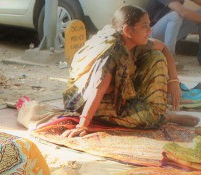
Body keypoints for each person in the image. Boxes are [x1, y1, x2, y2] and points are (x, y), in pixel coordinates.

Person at [62, 5, 199, 138]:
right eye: (144, 26)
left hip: (117, 95)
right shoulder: (112, 53)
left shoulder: (130, 41)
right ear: (127, 30)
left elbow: (163, 48)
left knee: (156, 56)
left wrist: (174, 81)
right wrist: (83, 125)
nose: (149, 31)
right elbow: (97, 91)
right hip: (85, 101)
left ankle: (158, 113)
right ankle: (168, 117)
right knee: (148, 117)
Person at [146, 0, 201, 64]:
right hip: (152, 34)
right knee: (176, 15)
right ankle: (168, 57)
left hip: (169, 34)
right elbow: (182, 12)